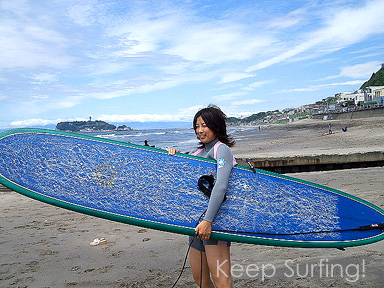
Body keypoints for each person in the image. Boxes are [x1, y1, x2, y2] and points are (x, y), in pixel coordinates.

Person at [167, 105, 235, 288]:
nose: (200, 130)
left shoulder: (221, 150)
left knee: (222, 281)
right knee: (201, 280)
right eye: (197, 126)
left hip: (215, 221)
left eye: (204, 125)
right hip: (197, 222)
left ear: (216, 126)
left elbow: (221, 186)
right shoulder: (198, 153)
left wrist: (208, 220)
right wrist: (174, 156)